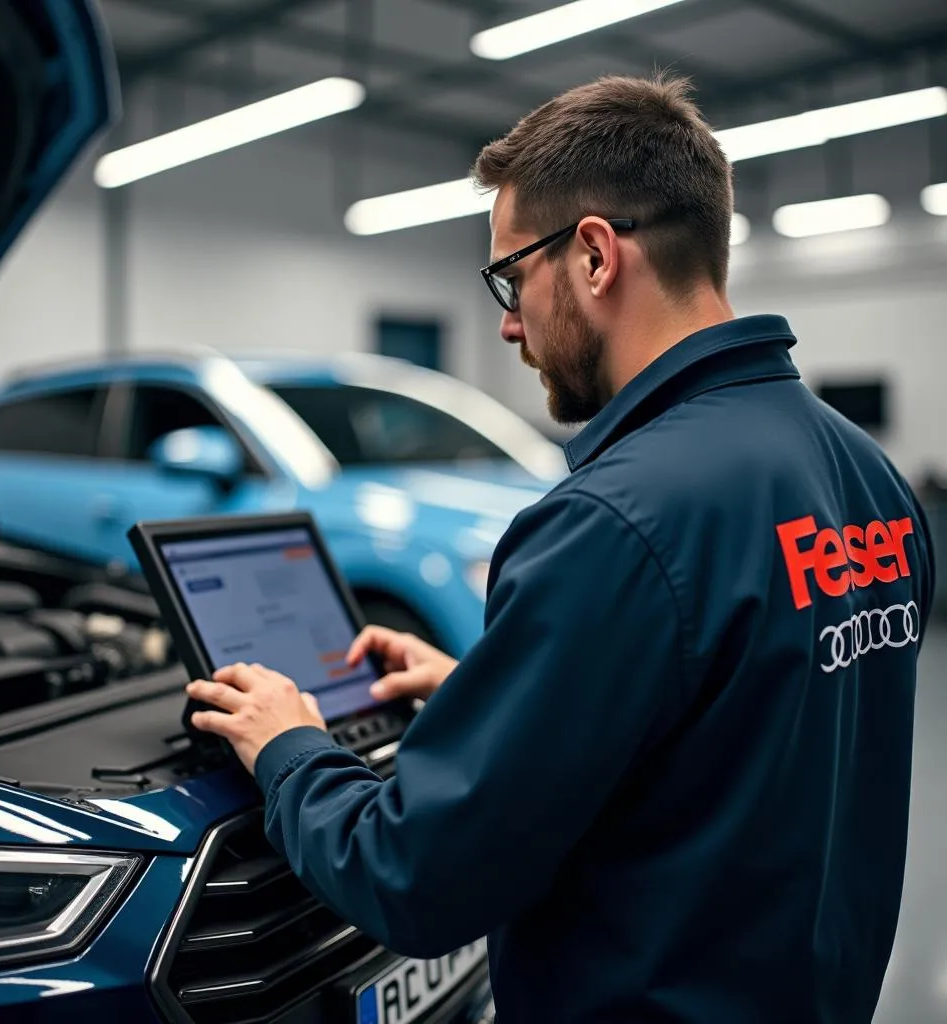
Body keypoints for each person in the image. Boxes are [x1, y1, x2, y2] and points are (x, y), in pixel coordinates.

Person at [187, 73, 935, 1022]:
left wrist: (288, 744)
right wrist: (489, 694)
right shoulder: (867, 477)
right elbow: (740, 734)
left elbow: (412, 875)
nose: (507, 321)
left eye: (510, 276)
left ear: (592, 256)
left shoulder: (610, 522)